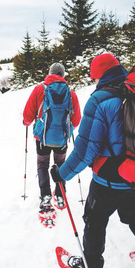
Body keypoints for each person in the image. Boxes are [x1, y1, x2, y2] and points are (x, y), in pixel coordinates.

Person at [50, 54, 135, 268]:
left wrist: (62, 174)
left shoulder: (100, 100)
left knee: (95, 220)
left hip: (108, 179)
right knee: (133, 214)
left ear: (98, 75)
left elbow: (85, 151)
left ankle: (92, 267)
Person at [23, 63, 81, 210]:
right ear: (63, 75)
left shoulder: (39, 89)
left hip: (42, 138)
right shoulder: (70, 92)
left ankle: (46, 195)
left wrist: (26, 122)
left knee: (42, 164)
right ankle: (60, 194)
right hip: (61, 138)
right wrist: (67, 130)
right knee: (60, 164)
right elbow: (76, 119)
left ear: (50, 73)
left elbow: (28, 115)